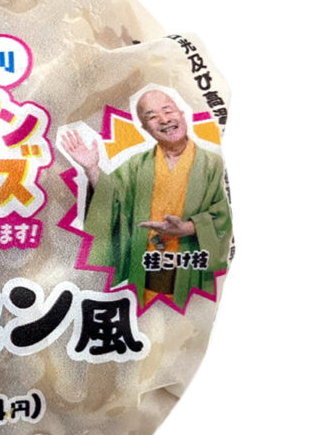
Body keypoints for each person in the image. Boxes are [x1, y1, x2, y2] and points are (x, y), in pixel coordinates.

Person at [61, 89, 232, 307]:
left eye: (168, 111)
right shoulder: (136, 165)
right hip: (144, 273)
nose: (164, 119)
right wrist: (92, 169)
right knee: (145, 320)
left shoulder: (213, 163)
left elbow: (223, 216)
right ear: (145, 128)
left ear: (181, 114)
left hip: (191, 271)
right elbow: (112, 199)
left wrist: (188, 228)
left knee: (189, 318)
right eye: (152, 116)